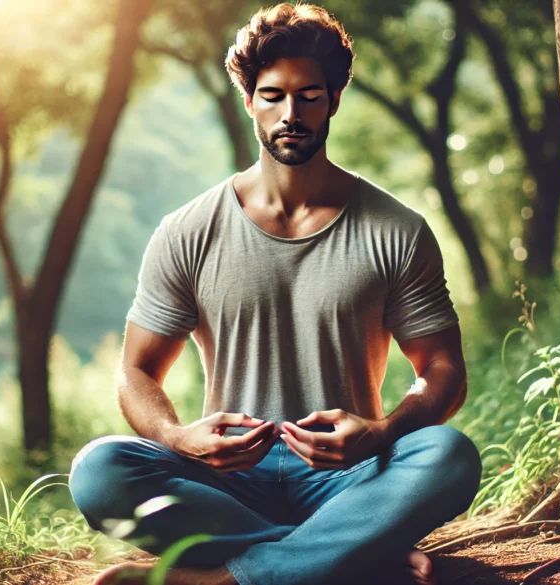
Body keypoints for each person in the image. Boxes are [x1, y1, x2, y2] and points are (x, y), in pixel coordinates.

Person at [68, 4, 482, 584]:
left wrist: (382, 433)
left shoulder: (396, 230)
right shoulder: (187, 231)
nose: (292, 113)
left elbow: (441, 368)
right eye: (273, 95)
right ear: (249, 101)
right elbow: (136, 371)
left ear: (335, 99)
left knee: (449, 456)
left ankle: (226, 578)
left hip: (349, 476)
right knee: (100, 470)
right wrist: (176, 436)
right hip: (227, 478)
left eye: (310, 95)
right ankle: (352, 556)